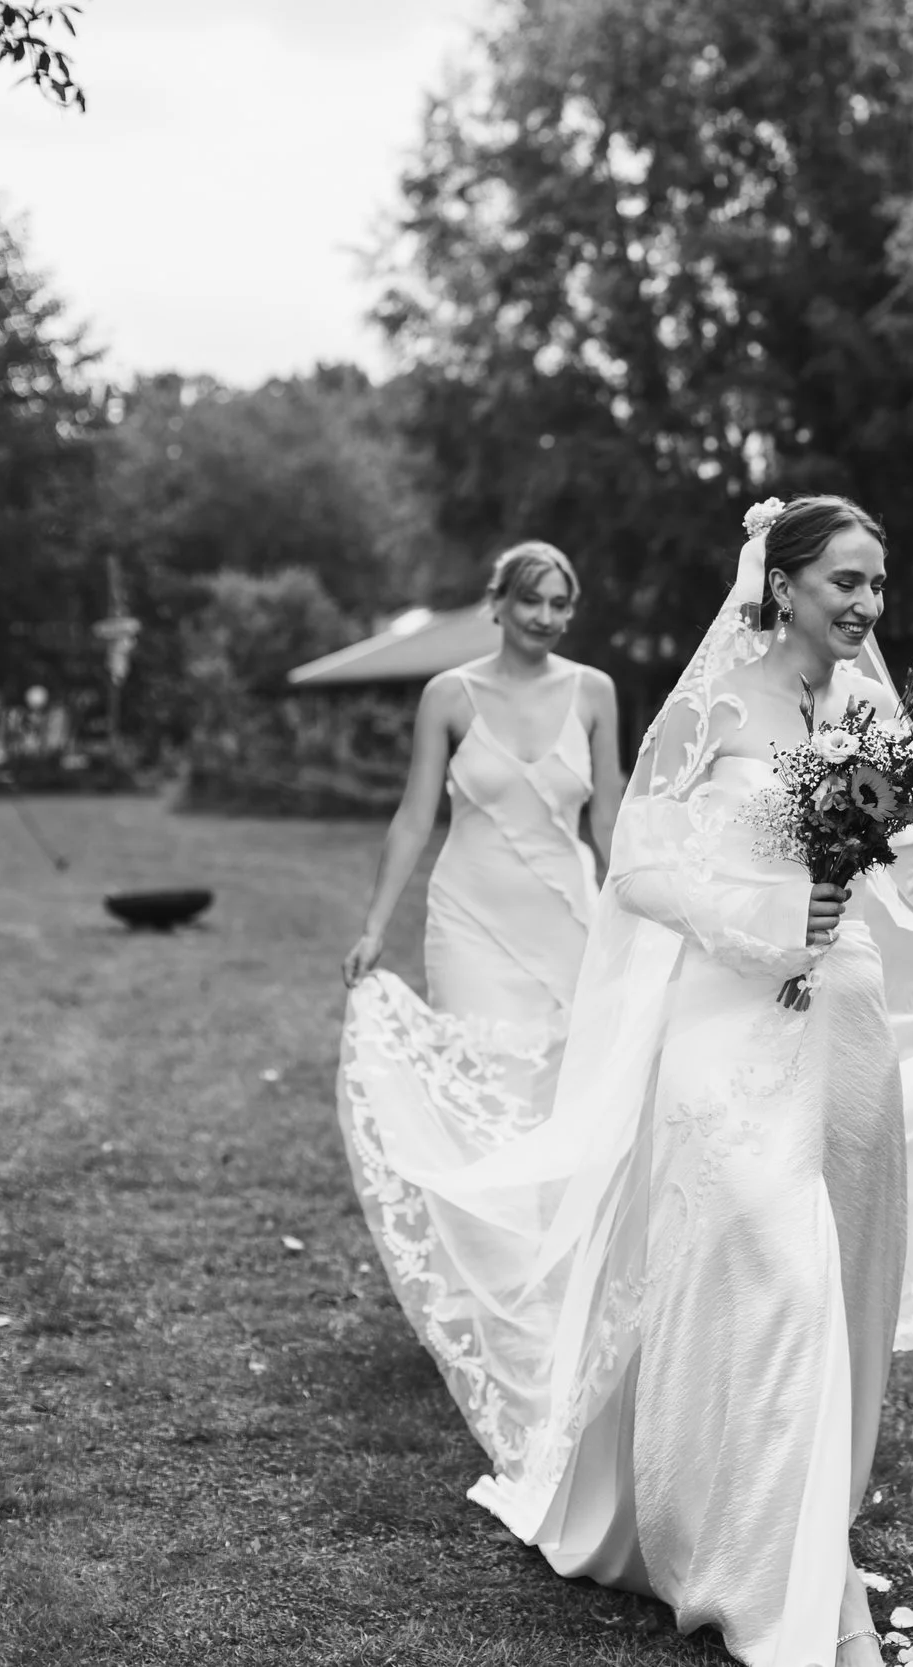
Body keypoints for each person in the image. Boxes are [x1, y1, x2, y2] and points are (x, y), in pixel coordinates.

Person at [345, 494, 913, 1667]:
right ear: (783, 583)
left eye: (877, 583)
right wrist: (762, 928)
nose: (866, 604)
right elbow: (639, 869)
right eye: (845, 581)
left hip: (843, 1020)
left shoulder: (873, 714)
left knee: (841, 1277)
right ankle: (797, 1594)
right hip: (726, 1020)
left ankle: (796, 1522)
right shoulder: (713, 701)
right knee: (775, 1267)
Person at [332, 541, 624, 1444]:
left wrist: (637, 922)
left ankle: (551, 1286)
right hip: (470, 921)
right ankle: (496, 1296)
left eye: (561, 604)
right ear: (496, 603)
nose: (547, 618)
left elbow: (608, 814)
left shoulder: (595, 692)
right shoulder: (448, 696)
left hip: (567, 921)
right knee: (486, 1094)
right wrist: (375, 924)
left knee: (556, 1100)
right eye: (532, 600)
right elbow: (414, 814)